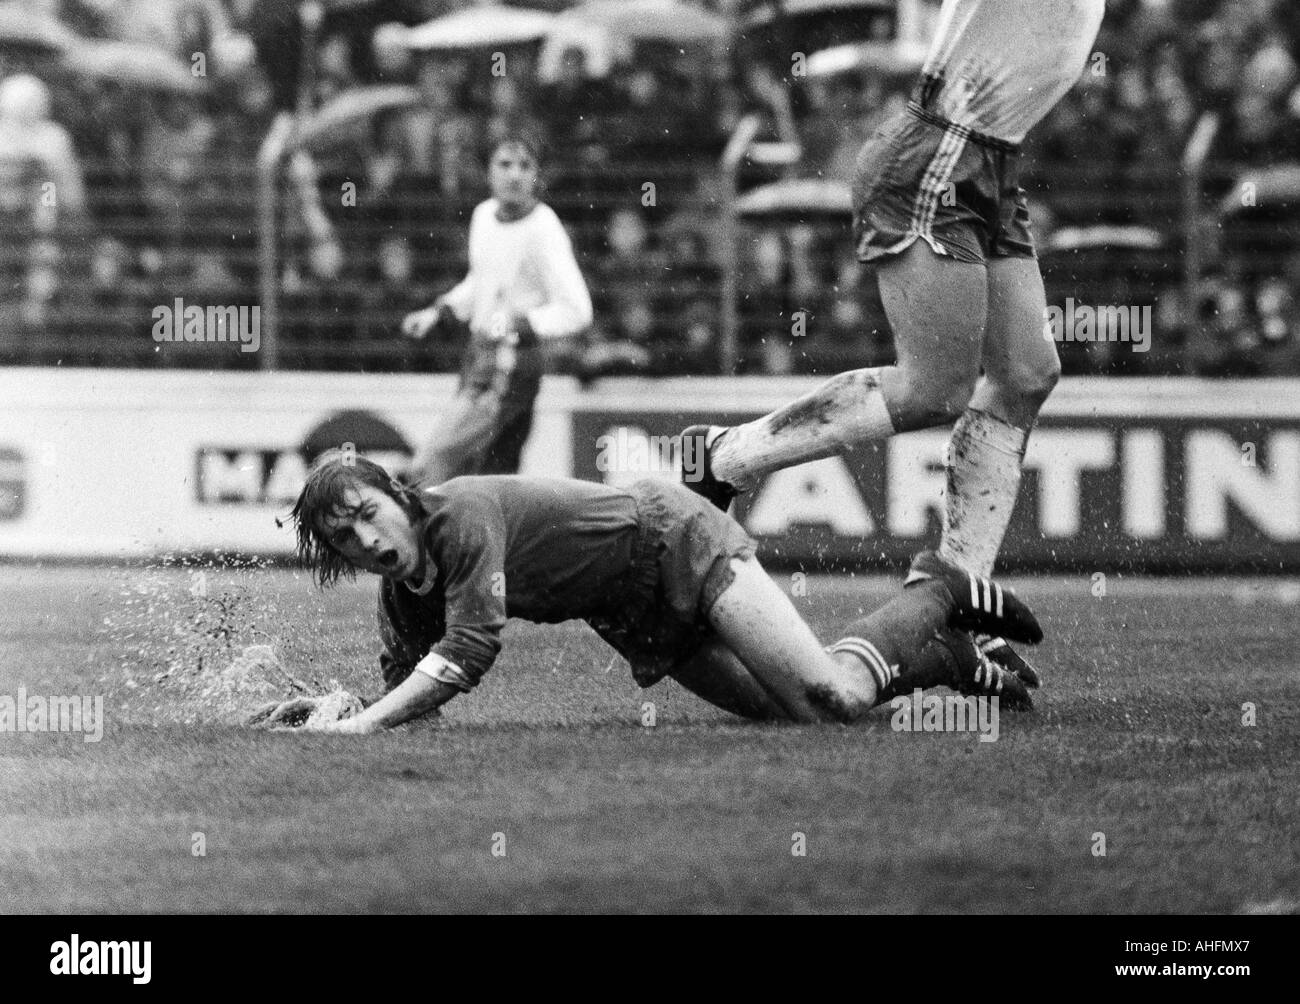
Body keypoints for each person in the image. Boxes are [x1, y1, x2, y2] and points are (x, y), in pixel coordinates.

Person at [681, 0, 1106, 684]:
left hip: (988, 162)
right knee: (935, 389)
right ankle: (722, 457)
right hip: (937, 152)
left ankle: (961, 608)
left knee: (1026, 373)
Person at [256, 452, 1039, 734]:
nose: (365, 540)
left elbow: (468, 651)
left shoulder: (457, 516)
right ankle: (947, 659)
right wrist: (338, 712)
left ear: (398, 493)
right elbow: (407, 700)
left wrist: (357, 730)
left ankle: (932, 592)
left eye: (366, 515)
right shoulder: (400, 596)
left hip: (670, 540)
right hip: (626, 610)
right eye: (345, 540)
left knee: (832, 698)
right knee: (795, 714)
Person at [400, 132, 592, 484]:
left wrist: (521, 322)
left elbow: (577, 308)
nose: (514, 174)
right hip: (479, 353)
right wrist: (439, 311)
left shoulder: (543, 228)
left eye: (525, 165)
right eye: (505, 164)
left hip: (512, 361)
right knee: (494, 476)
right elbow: (481, 281)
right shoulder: (483, 216)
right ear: (489, 171)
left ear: (537, 175)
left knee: (433, 465)